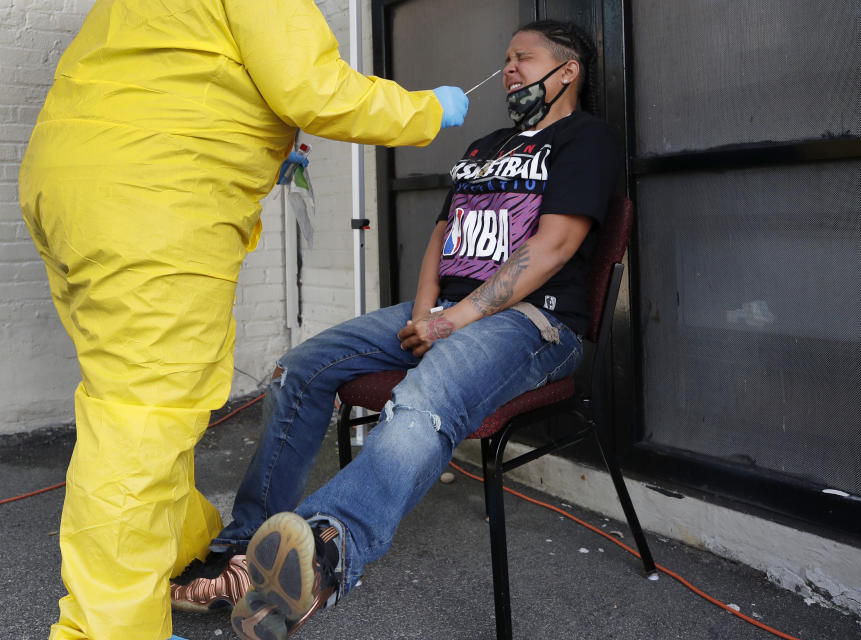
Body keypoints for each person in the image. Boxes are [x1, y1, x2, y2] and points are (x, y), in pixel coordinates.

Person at [17, 0, 469, 638]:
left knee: (139, 401)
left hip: (74, 186)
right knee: (141, 420)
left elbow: (175, 74)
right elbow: (318, 91)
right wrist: (428, 110)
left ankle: (175, 554)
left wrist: (256, 136)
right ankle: (107, 627)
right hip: (155, 201)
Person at [170, 19, 617, 640]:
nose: (509, 69)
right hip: (445, 311)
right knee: (300, 368)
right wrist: (422, 315)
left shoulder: (585, 139)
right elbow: (441, 235)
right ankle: (246, 547)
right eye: (506, 59)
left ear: (567, 70)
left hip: (530, 321)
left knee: (421, 402)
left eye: (523, 58)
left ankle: (322, 553)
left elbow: (557, 245)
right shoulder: (486, 146)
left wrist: (455, 321)